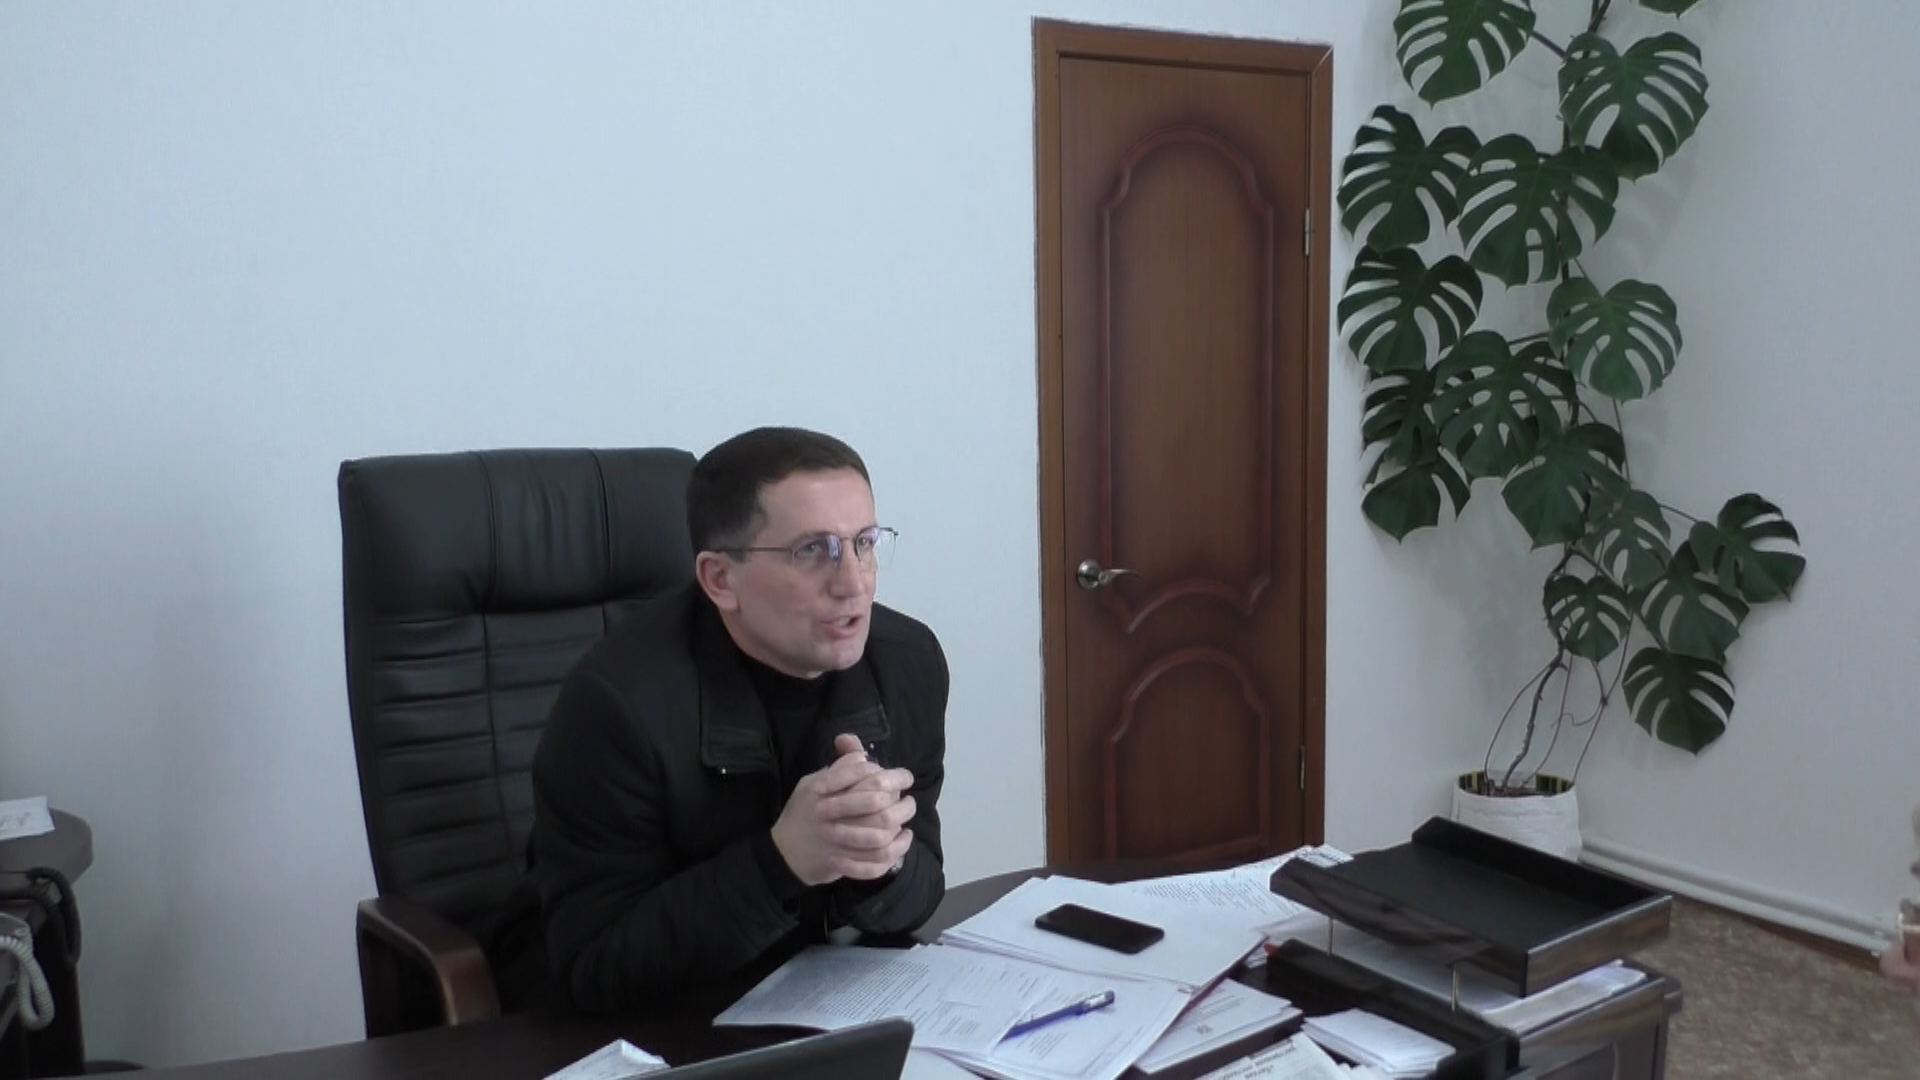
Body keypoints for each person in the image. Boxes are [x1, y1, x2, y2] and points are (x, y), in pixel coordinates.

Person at [529, 426, 949, 1013]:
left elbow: (923, 885)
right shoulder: (614, 707)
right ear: (720, 580)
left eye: (864, 543)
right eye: (813, 551)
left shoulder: (907, 662)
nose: (854, 583)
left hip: (835, 1006)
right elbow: (595, 969)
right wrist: (781, 863)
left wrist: (879, 865)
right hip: (671, 1026)